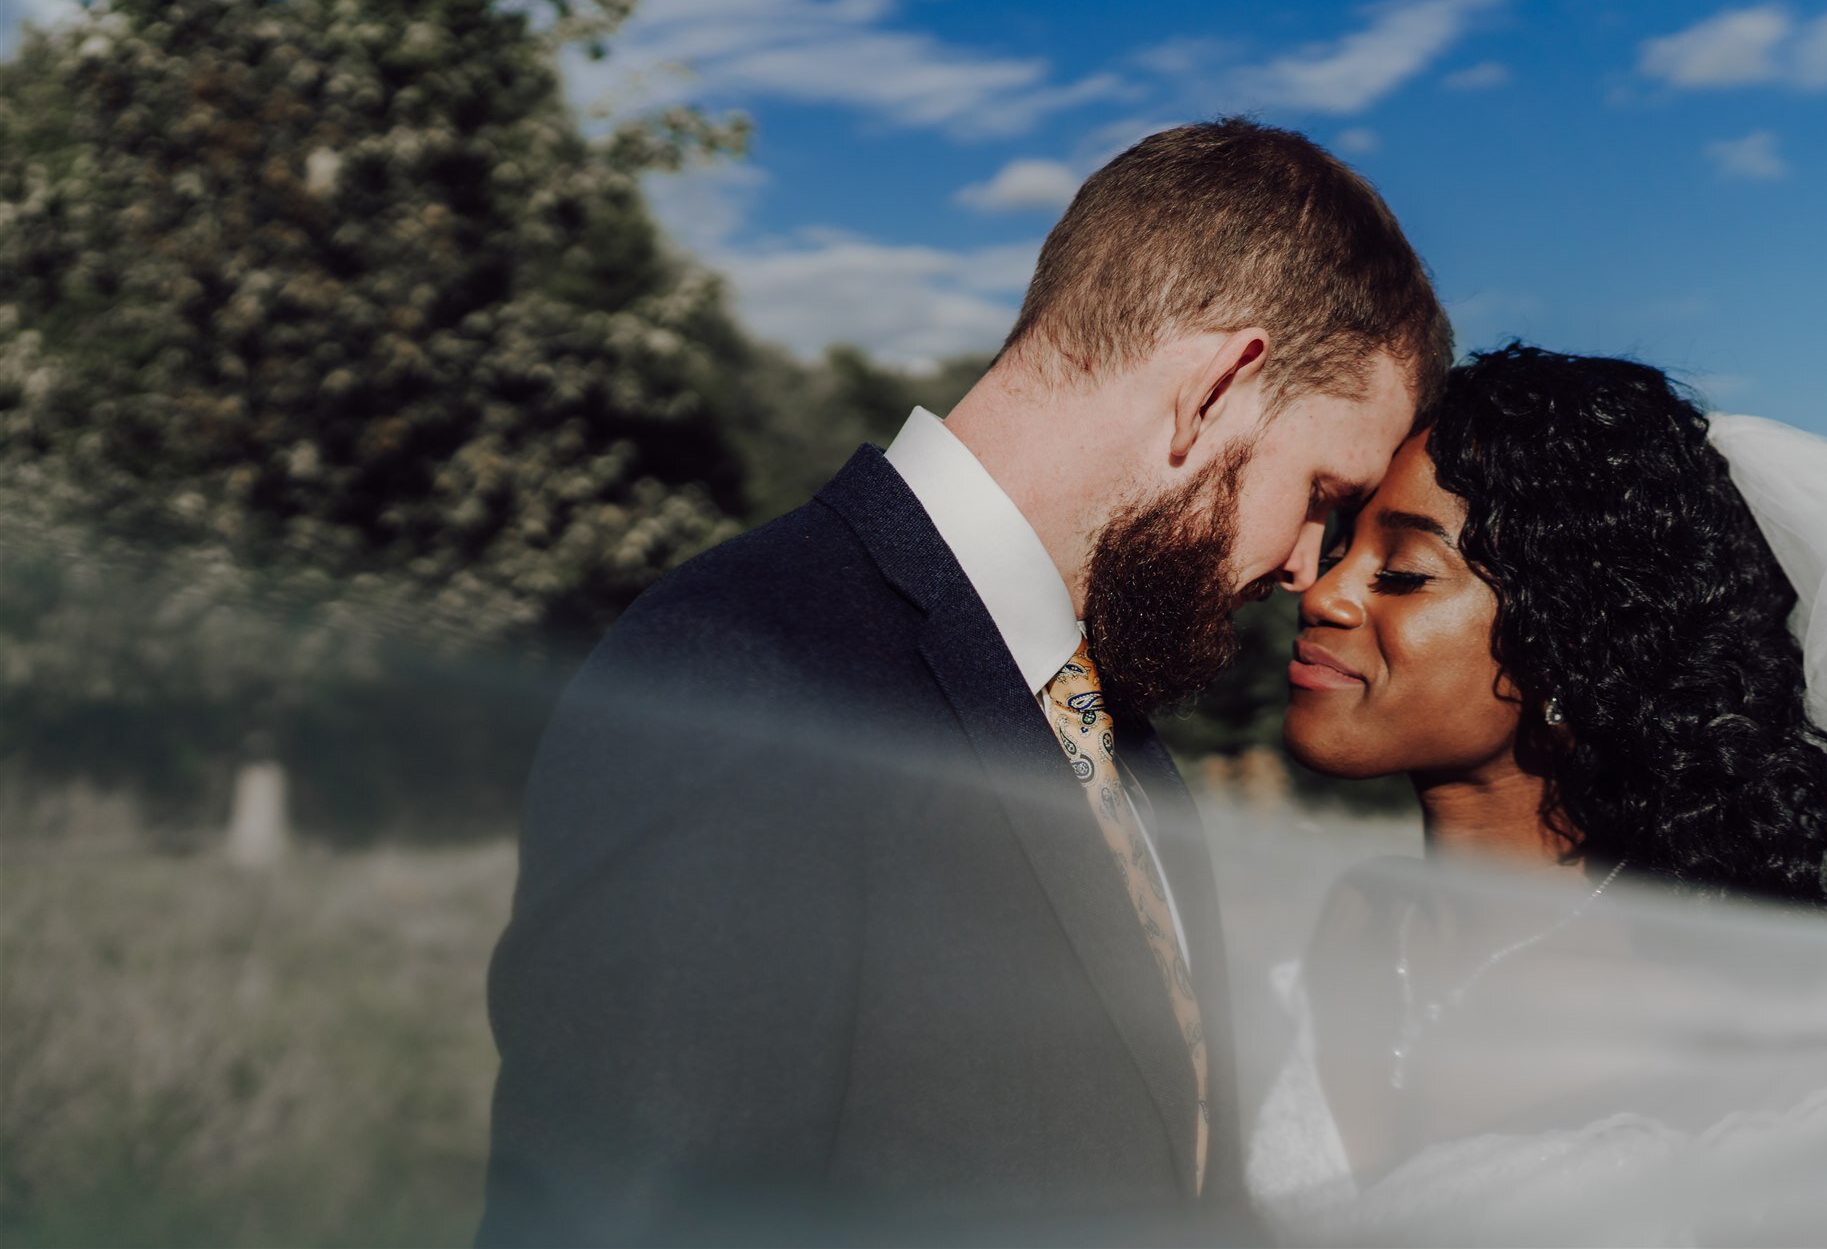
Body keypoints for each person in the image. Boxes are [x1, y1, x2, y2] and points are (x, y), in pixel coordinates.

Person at [476, 118, 1451, 1243]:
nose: (1300, 566)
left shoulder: (1111, 730)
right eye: (1323, 493)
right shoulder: (742, 677)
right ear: (1215, 389)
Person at [1245, 344, 1827, 1243]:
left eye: (1402, 573)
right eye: (1344, 544)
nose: (1322, 592)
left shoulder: (1725, 1013)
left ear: (1571, 649)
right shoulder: (1359, 915)